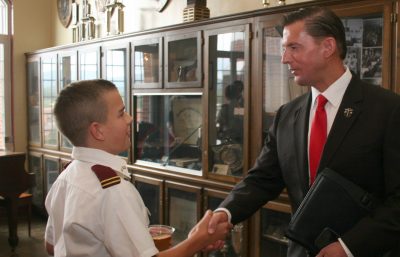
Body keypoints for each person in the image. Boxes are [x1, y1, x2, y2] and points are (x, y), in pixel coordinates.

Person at [202, 6, 400, 257]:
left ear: (328, 47)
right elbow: (262, 179)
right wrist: (224, 213)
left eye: (293, 47)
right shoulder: (288, 114)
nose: (284, 58)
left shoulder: (388, 110)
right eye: (284, 48)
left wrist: (348, 247)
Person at [44, 79, 232, 257]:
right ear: (97, 130)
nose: (130, 118)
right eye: (121, 113)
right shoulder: (112, 190)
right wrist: (199, 239)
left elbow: (52, 245)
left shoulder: (67, 176)